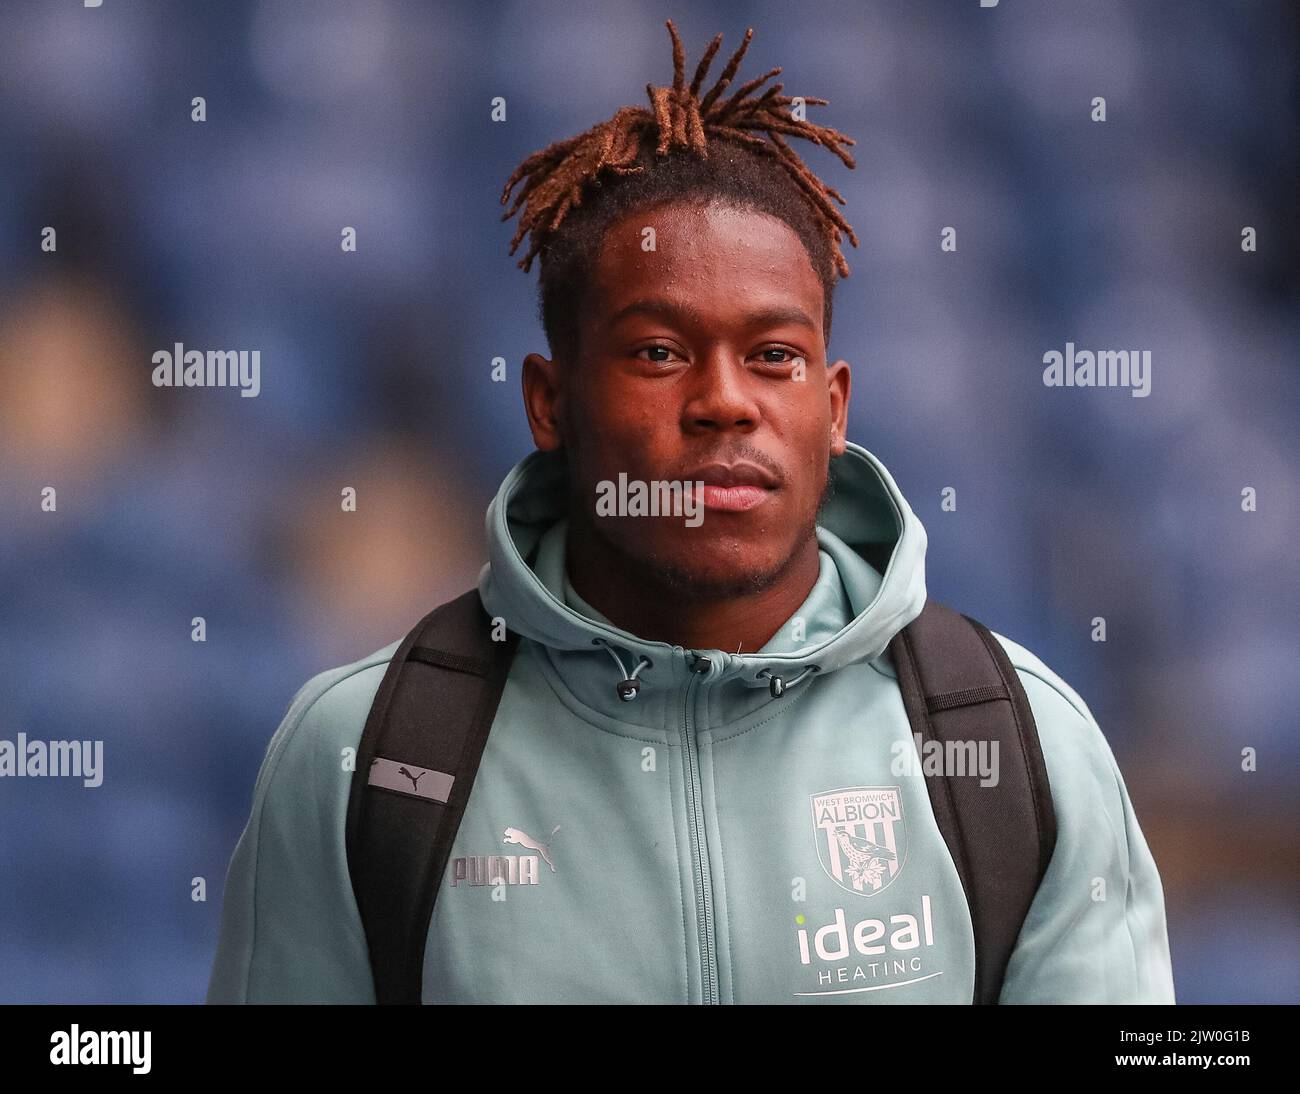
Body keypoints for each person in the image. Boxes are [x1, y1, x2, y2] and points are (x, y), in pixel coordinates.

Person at [207, 21, 1175, 1004]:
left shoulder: (1021, 746)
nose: (725, 400)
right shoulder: (365, 755)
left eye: (774, 356)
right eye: (659, 351)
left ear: (832, 408)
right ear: (550, 400)